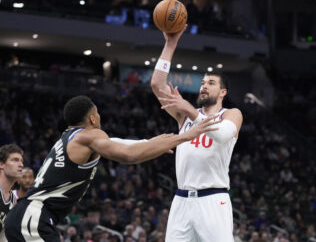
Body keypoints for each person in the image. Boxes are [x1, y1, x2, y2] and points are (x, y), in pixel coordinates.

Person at [5, 95, 218, 241]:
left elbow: (121, 143)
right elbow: (128, 154)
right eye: (97, 113)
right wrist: (185, 136)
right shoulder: (91, 134)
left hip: (26, 217)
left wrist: (154, 142)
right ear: (91, 118)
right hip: (33, 217)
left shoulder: (70, 137)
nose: (99, 117)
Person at [150, 27, 243, 241]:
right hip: (181, 200)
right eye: (202, 83)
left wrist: (189, 110)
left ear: (222, 92)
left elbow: (221, 135)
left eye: (211, 83)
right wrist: (170, 44)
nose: (204, 86)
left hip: (213, 199)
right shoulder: (184, 116)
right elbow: (157, 84)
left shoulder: (231, 114)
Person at [0, 144, 24, 241]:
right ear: (1, 164)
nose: (21, 165)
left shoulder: (13, 200)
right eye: (15, 160)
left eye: (22, 161)